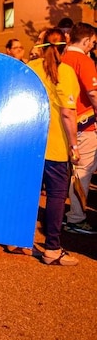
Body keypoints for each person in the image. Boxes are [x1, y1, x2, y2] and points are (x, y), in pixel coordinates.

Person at [23, 28, 79, 265]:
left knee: (28, 193)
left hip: (29, 143)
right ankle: (52, 249)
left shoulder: (30, 68)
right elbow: (67, 113)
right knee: (56, 196)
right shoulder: (64, 72)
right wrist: (74, 145)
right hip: (54, 145)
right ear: (64, 46)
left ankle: (20, 240)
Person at [61, 22, 97, 234]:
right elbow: (93, 93)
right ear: (85, 40)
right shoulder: (83, 60)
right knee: (83, 172)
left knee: (76, 171)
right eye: (92, 43)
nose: (92, 46)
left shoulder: (63, 58)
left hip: (70, 124)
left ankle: (74, 215)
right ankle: (76, 218)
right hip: (85, 124)